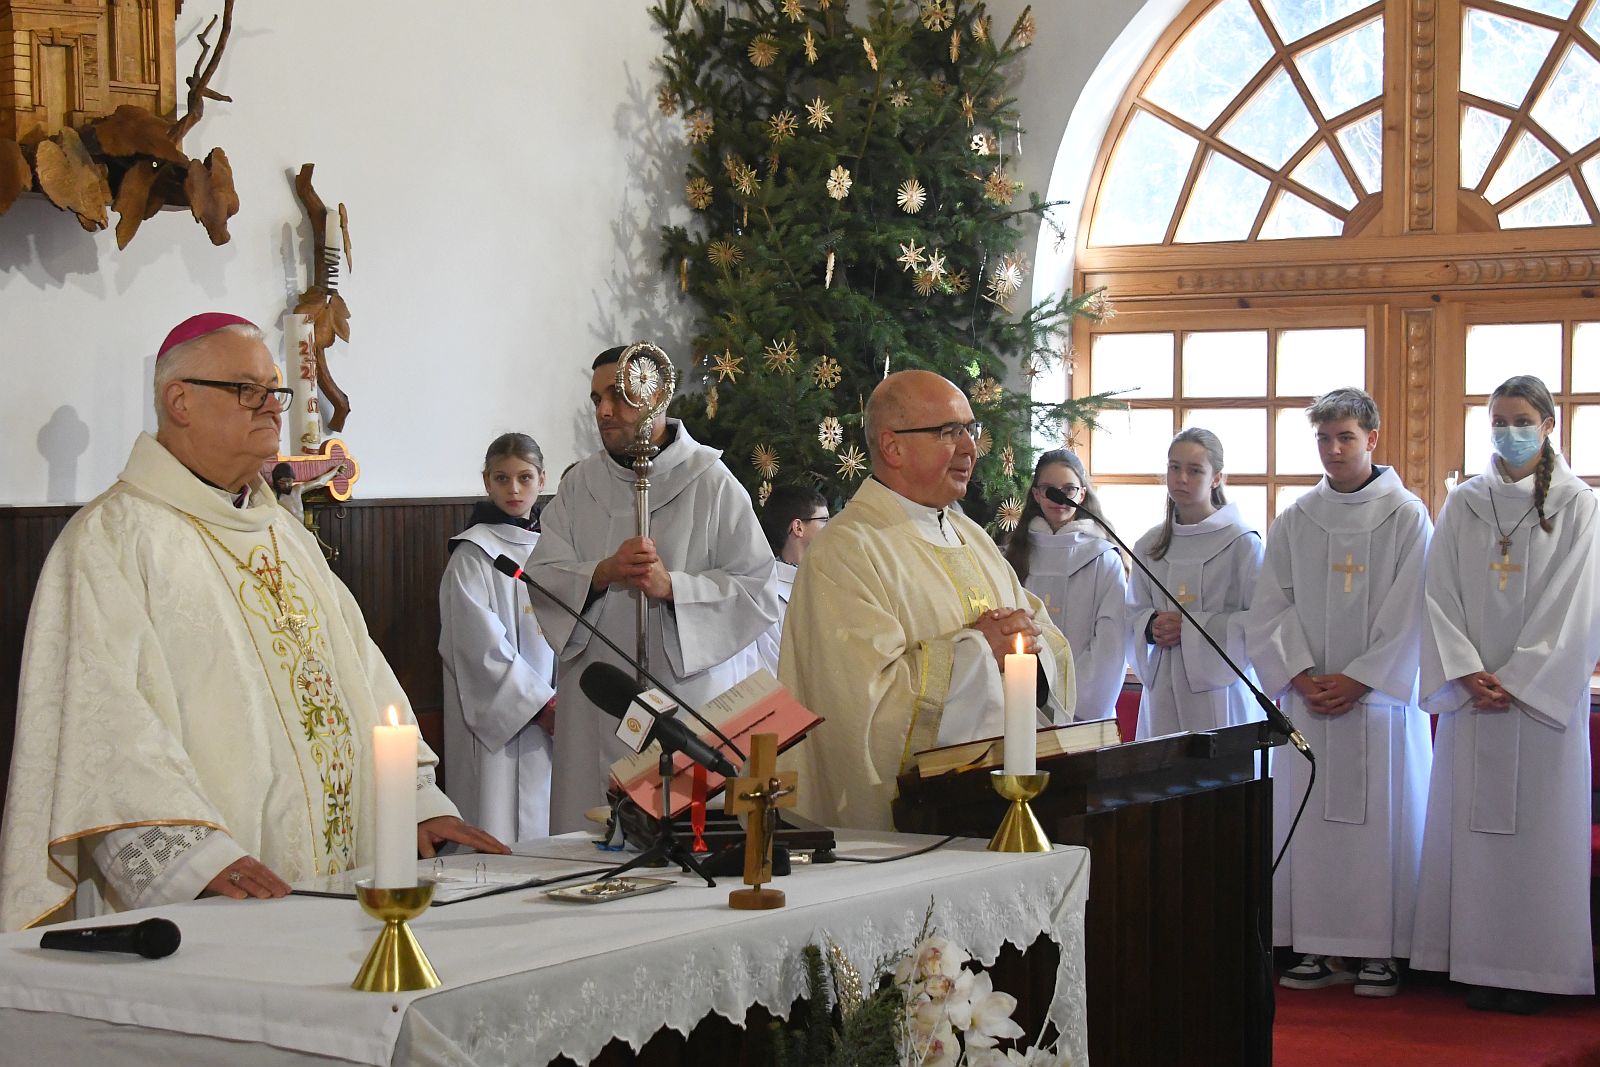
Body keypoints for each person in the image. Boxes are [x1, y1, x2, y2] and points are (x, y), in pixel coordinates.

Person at [0, 313, 505, 932]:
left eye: (275, 390)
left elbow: (365, 678)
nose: (272, 407)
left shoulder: (286, 536)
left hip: (348, 885)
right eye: (247, 390)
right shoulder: (114, 540)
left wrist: (415, 805)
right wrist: (192, 858)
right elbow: (101, 726)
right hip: (215, 901)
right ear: (178, 401)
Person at [780, 370, 1076, 831]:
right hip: (912, 824)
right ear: (893, 446)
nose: (970, 449)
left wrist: (1029, 650)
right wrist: (981, 650)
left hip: (995, 802)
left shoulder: (970, 536)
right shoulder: (847, 550)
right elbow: (860, 707)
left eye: (971, 430)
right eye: (948, 432)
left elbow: (1042, 638)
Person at [526, 347, 777, 833]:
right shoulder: (580, 484)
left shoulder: (711, 482)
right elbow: (543, 576)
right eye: (596, 398)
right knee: (595, 842)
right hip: (597, 696)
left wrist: (673, 588)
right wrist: (600, 573)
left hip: (685, 693)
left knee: (685, 842)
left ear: (655, 392)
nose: (603, 411)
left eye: (617, 396)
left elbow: (758, 590)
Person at [1411, 375, 1599, 1014]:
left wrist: (1516, 681)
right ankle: (1476, 962)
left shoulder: (1579, 507)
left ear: (1548, 426)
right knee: (1474, 838)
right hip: (1474, 702)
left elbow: (1578, 608)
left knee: (1540, 842)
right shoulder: (1465, 505)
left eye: (1521, 419)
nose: (1508, 430)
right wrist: (1465, 670)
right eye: (1498, 419)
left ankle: (1536, 970)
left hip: (1540, 709)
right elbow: (1438, 593)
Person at [1244, 388, 1433, 998]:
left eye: (1345, 437)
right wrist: (1299, 674)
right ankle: (1319, 944)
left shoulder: (1407, 515)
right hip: (1312, 703)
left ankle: (1382, 952)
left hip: (1377, 704)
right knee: (1314, 827)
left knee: (1383, 825)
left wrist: (1361, 678)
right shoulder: (1297, 518)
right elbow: (1271, 606)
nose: (1333, 449)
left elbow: (1413, 609)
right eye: (1323, 438)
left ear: (1372, 438)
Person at [438, 432, 557, 843]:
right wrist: (540, 705)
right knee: (496, 821)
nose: (514, 489)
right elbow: (476, 647)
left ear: (542, 480)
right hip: (500, 726)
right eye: (502, 478)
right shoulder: (472, 556)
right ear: (486, 482)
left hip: (556, 717)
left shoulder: (556, 550)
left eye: (525, 478)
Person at [1126, 427, 1264, 739]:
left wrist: (1189, 629)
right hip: (1164, 690)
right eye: (1174, 467)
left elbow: (1260, 620)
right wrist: (1150, 626)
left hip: (1223, 693)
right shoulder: (1150, 545)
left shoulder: (1241, 542)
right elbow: (1130, 613)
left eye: (1194, 470)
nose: (1181, 479)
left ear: (1216, 477)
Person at [1002, 449, 1127, 722]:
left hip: (1083, 708)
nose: (1059, 499)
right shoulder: (1013, 556)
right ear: (1036, 494)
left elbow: (1111, 642)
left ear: (1081, 494)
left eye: (1068, 489)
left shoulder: (1103, 558)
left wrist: (1073, 700)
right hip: (1022, 705)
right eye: (1049, 490)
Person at [753, 485, 829, 676]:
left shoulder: (830, 581)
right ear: (798, 527)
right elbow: (774, 667)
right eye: (824, 521)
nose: (832, 531)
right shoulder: (769, 593)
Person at [271, 460, 345, 522]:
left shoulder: (297, 489)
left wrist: (335, 471)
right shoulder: (272, 494)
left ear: (293, 479)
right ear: (275, 481)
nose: (286, 485)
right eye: (282, 482)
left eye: (289, 481)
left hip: (302, 530)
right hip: (286, 533)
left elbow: (320, 482)